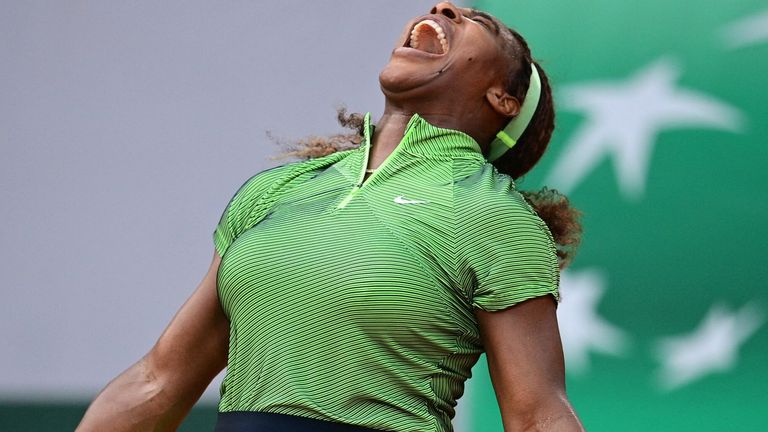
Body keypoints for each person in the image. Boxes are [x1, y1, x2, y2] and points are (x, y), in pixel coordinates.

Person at [77, 2, 584, 431]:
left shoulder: (495, 216)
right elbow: (160, 379)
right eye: (436, 8)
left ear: (503, 99)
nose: (442, 8)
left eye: (481, 22)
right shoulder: (273, 191)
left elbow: (539, 415)